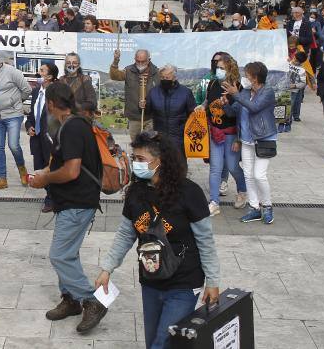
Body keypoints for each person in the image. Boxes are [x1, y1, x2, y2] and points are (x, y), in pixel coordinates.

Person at [96, 131, 221, 349]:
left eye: (141, 159)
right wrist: (107, 268)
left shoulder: (189, 192)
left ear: (160, 161)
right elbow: (126, 234)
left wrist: (213, 280)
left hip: (184, 283)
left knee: (161, 343)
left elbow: (205, 240)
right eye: (134, 158)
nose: (135, 164)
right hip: (151, 280)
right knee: (154, 340)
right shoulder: (135, 193)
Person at [28, 82, 106, 334]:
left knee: (59, 255)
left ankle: (91, 300)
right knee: (68, 253)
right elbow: (65, 163)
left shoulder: (72, 127)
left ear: (51, 104)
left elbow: (71, 171)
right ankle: (70, 299)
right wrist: (43, 173)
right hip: (72, 202)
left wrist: (45, 179)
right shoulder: (74, 125)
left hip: (77, 202)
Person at [221, 61, 277, 224]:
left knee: (259, 175)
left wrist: (235, 94)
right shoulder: (245, 92)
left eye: (247, 75)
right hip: (245, 139)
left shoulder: (267, 92)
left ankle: (267, 206)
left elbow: (254, 108)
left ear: (255, 78)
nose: (245, 77)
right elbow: (235, 113)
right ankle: (254, 208)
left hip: (263, 138)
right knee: (248, 175)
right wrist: (226, 105)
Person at [199, 53, 248, 215]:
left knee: (233, 166)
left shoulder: (237, 87)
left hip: (231, 134)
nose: (218, 70)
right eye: (217, 67)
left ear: (229, 69)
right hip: (215, 132)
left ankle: (242, 191)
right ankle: (214, 201)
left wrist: (239, 140)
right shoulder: (213, 83)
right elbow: (207, 102)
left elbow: (238, 114)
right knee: (215, 168)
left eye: (221, 68)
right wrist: (201, 107)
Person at [0, 51, 32, 190]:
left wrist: (16, 102)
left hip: (13, 114)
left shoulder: (12, 72)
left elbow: (27, 90)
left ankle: (22, 169)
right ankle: (2, 179)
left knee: (13, 145)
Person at [26, 63, 58, 212]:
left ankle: (52, 198)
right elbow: (32, 114)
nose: (39, 73)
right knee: (39, 168)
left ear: (50, 76)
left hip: (50, 138)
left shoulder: (56, 93)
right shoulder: (36, 91)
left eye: (42, 71)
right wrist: (29, 126)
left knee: (50, 168)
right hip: (36, 137)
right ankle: (51, 194)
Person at [146, 65, 195, 160]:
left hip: (179, 139)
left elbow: (192, 114)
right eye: (162, 77)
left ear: (174, 77)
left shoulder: (186, 92)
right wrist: (143, 106)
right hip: (159, 138)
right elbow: (147, 112)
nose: (164, 79)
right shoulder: (153, 92)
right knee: (160, 166)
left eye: (167, 77)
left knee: (179, 166)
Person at [110, 49, 160, 139]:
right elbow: (114, 76)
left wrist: (149, 103)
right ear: (134, 59)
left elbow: (161, 94)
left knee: (151, 145)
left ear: (149, 59)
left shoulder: (156, 72)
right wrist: (115, 61)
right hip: (134, 117)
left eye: (143, 61)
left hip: (151, 117)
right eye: (138, 61)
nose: (140, 64)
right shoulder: (129, 70)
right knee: (136, 144)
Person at [62, 53, 97, 119]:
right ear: (65, 65)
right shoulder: (61, 81)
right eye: (68, 63)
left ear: (78, 65)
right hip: (63, 122)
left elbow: (93, 103)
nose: (71, 65)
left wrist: (76, 106)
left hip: (79, 120)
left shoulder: (85, 80)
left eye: (74, 63)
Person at [283, 51, 308, 133]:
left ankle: (287, 124)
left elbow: (303, 83)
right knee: (281, 104)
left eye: (296, 60)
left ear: (300, 62)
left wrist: (295, 85)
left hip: (293, 91)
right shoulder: (288, 63)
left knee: (289, 107)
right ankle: (280, 123)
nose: (294, 60)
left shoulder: (302, 70)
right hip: (283, 88)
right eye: (294, 58)